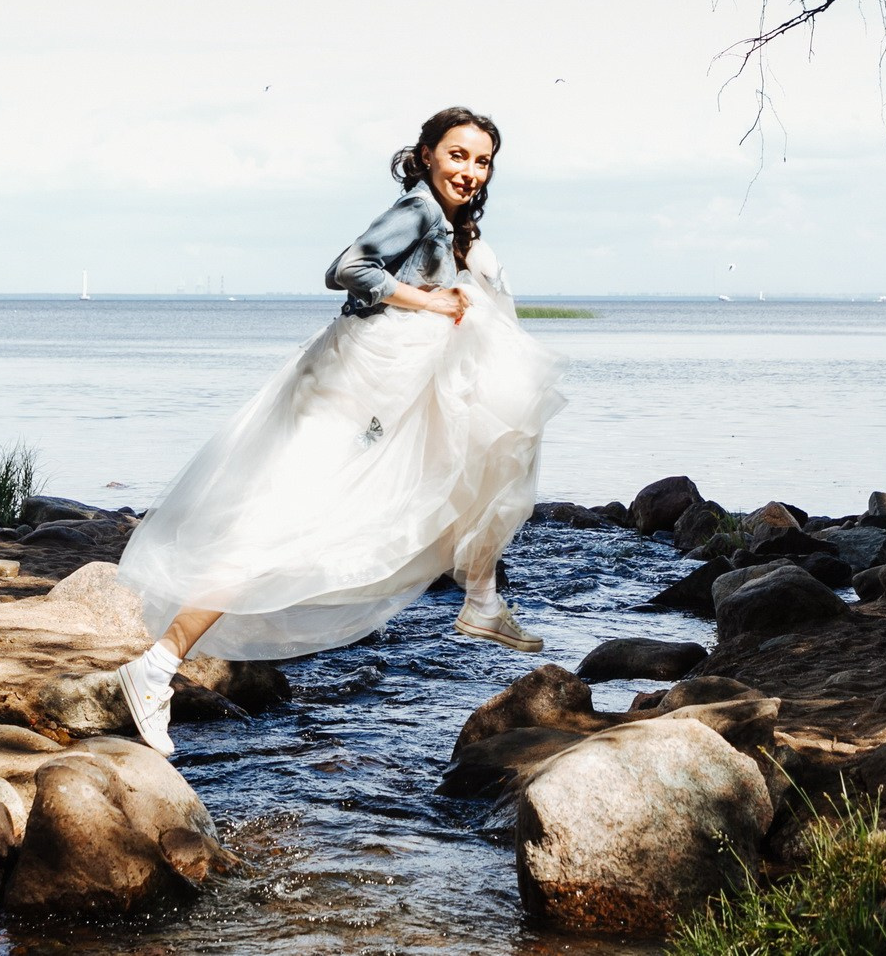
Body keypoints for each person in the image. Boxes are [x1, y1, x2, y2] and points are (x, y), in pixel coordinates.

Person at [111, 107, 567, 756]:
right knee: (272, 527)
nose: (470, 171)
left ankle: (481, 591)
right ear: (428, 155)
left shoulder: (448, 224)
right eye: (458, 155)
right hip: (341, 391)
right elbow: (350, 268)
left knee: (365, 510)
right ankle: (157, 664)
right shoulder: (415, 212)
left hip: (376, 398)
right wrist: (435, 301)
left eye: (482, 161)